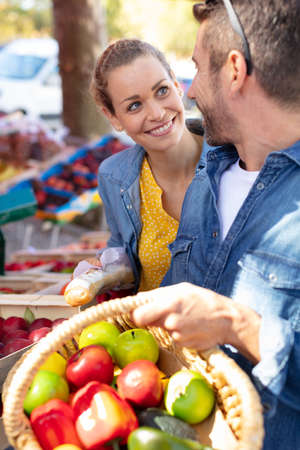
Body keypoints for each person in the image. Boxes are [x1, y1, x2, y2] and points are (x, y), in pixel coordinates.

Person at [132, 1, 300, 449]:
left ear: (233, 70)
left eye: (195, 70)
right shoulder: (209, 175)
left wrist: (235, 324)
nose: (187, 92)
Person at [77, 38, 204, 293]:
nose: (156, 113)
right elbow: (123, 251)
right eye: (134, 105)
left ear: (176, 84)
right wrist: (104, 268)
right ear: (113, 117)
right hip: (147, 332)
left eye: (162, 91)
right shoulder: (115, 176)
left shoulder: (236, 158)